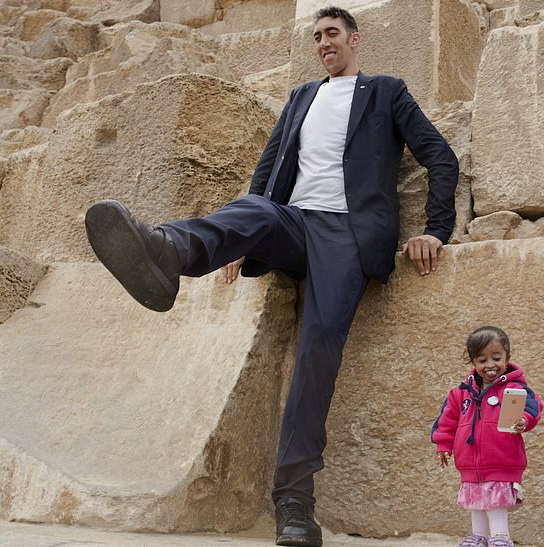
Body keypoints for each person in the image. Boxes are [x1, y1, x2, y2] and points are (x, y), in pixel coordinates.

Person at [85, 6, 458, 546]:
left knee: (319, 347)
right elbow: (266, 174)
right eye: (316, 37)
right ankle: (168, 251)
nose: (323, 43)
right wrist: (237, 238)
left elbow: (439, 156)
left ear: (355, 39)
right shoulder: (300, 97)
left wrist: (437, 230)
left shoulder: (385, 92)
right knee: (254, 210)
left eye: (332, 34)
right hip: (294, 223)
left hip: (348, 235)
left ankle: (295, 505)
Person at [431, 326, 543, 547]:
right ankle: (479, 535)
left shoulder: (514, 387)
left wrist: (524, 421)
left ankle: (500, 536)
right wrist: (443, 445)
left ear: (507, 357)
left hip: (503, 458)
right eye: (482, 360)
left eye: (496, 357)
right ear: (473, 362)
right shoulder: (460, 393)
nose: (490, 365)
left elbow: (533, 408)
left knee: (495, 499)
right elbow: (446, 421)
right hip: (470, 463)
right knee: (476, 499)